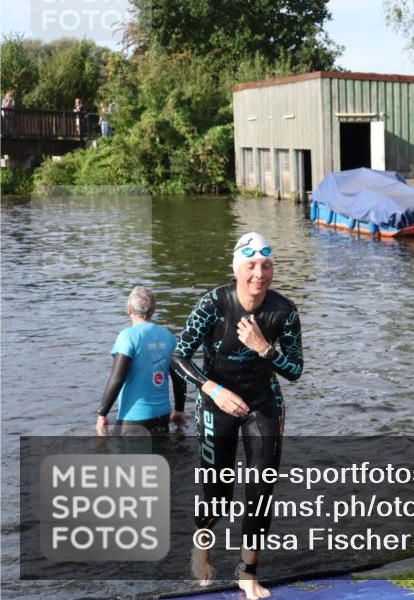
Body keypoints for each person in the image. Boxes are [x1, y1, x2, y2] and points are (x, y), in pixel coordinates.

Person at [171, 231, 303, 600]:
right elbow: (178, 357)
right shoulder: (213, 305)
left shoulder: (284, 311)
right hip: (217, 403)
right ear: (237, 269)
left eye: (266, 265)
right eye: (251, 265)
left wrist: (265, 349)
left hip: (263, 403)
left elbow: (294, 370)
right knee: (218, 492)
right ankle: (202, 545)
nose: (259, 274)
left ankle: (248, 571)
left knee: (261, 490)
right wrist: (212, 389)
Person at [96, 286, 183, 436]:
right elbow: (179, 377)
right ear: (153, 310)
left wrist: (102, 414)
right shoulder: (168, 337)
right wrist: (180, 410)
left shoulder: (127, 336)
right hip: (162, 416)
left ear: (129, 309)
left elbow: (117, 378)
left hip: (134, 418)